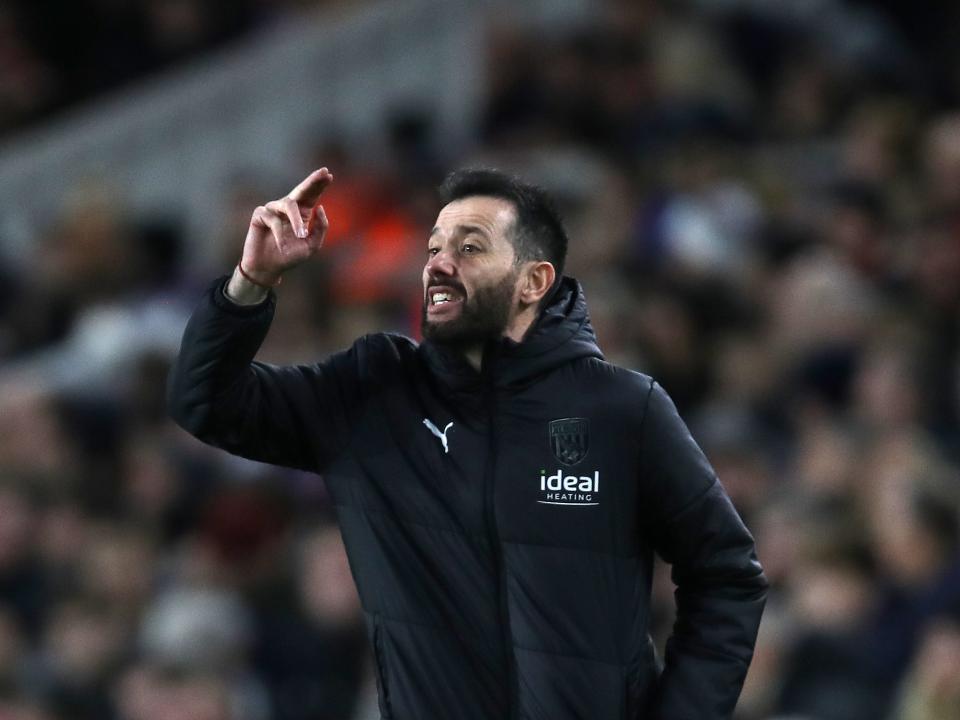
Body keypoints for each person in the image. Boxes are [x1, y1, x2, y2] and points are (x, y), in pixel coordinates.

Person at [167, 166, 767, 719]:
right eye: (433, 247)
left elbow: (725, 576)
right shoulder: (371, 393)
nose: (437, 263)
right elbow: (205, 404)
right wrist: (250, 283)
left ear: (534, 280)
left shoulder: (620, 410)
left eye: (469, 247)